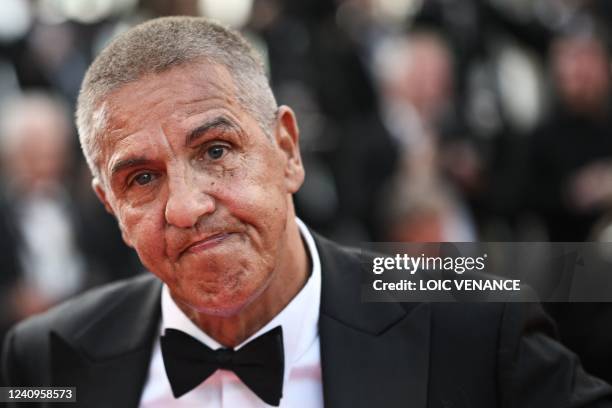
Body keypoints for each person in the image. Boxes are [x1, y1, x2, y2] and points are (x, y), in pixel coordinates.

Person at [2, 17, 612, 408]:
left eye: (216, 151)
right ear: (109, 206)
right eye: (141, 178)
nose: (187, 207)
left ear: (287, 150)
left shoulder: (471, 312)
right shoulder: (47, 361)